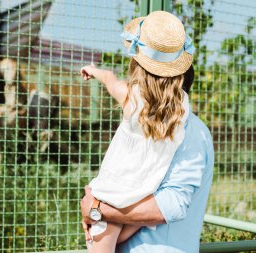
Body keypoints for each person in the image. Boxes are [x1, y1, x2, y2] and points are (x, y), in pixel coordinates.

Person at [80, 11, 214, 253]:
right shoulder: (178, 120)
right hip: (128, 196)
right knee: (108, 228)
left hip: (113, 194)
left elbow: (171, 205)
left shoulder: (136, 103)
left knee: (101, 232)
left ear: (137, 65)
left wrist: (97, 208)